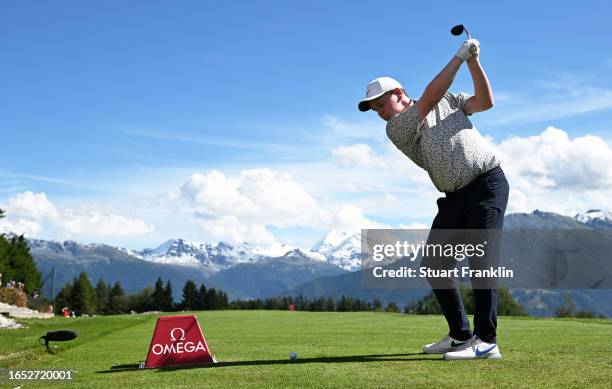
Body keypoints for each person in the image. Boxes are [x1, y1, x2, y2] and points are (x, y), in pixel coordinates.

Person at [358, 38, 509, 360]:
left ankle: (486, 342)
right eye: (374, 110)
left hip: (487, 184)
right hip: (454, 197)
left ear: (399, 94)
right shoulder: (397, 128)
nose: (380, 113)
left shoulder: (448, 100)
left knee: (480, 261)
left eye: (381, 105)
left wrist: (473, 62)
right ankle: (460, 335)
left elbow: (485, 102)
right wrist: (458, 56)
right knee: (435, 264)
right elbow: (428, 97)